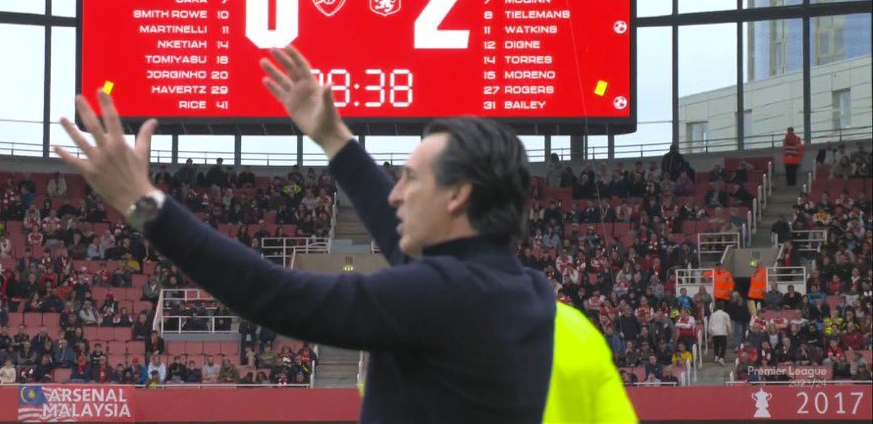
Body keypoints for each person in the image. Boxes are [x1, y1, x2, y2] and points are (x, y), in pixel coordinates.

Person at [54, 46, 559, 423]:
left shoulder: (439, 296)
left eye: (410, 178)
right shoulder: (524, 291)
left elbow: (273, 293)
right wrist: (333, 138)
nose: (394, 194)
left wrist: (144, 205)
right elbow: (411, 250)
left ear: (457, 196)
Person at [708, 301, 732, 366]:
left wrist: (710, 334)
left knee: (716, 345)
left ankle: (716, 356)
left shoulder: (713, 315)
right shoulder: (726, 314)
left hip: (714, 332)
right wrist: (730, 333)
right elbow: (728, 325)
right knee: (723, 346)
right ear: (723, 307)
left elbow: (710, 325)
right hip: (723, 332)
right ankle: (721, 358)